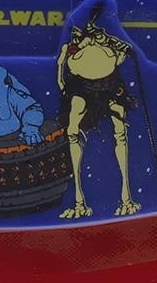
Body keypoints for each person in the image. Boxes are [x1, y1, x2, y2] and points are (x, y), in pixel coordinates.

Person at [56, 18, 141, 219]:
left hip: (110, 86)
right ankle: (79, 201)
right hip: (82, 88)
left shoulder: (104, 41)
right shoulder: (74, 46)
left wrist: (106, 39)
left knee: (120, 133)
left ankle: (126, 198)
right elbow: (61, 68)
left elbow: (125, 51)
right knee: (73, 132)